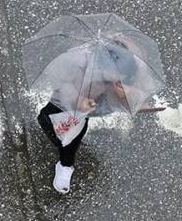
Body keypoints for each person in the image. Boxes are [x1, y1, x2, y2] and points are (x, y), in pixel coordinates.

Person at [36, 41, 142, 194]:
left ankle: (65, 164)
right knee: (51, 120)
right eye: (110, 77)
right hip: (67, 100)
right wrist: (77, 99)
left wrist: (125, 95)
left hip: (87, 110)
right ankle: (61, 148)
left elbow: (131, 97)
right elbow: (59, 79)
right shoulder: (78, 61)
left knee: (71, 138)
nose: (115, 81)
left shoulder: (127, 68)